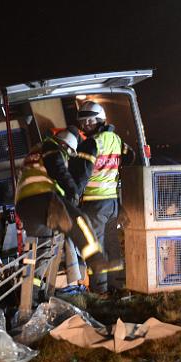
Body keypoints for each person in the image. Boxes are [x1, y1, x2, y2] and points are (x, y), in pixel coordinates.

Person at [15, 127, 109, 276]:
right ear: (65, 146)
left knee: (42, 250)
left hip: (24, 206)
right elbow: (58, 170)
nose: (69, 157)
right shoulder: (51, 147)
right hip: (43, 198)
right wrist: (73, 192)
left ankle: (31, 290)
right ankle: (96, 260)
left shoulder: (36, 151)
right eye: (69, 153)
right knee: (79, 220)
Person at [72, 101, 125, 294]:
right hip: (112, 203)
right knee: (112, 247)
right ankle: (118, 287)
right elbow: (131, 157)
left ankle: (100, 291)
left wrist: (72, 197)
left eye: (90, 120)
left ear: (100, 119)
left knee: (96, 248)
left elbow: (82, 174)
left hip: (94, 204)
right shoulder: (116, 140)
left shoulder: (91, 143)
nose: (86, 124)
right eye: (83, 121)